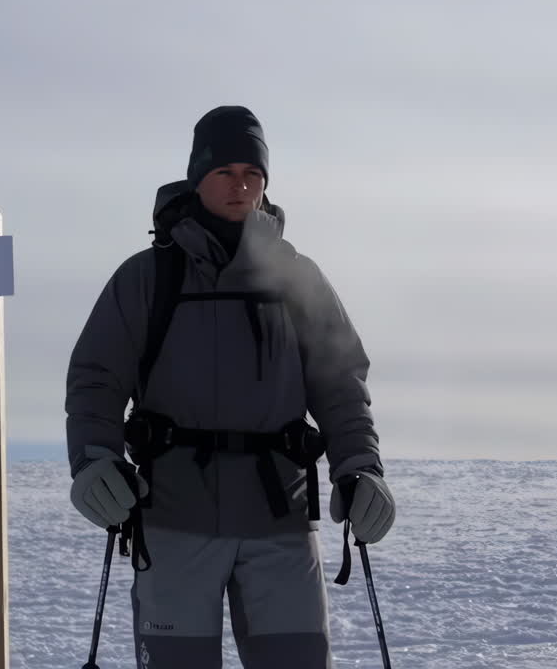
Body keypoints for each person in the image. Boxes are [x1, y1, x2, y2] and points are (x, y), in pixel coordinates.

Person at [65, 106, 395, 669]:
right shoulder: (147, 277)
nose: (240, 185)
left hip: (281, 524)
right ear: (198, 177)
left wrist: (361, 466)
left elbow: (340, 381)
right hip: (172, 522)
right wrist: (94, 460)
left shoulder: (299, 278)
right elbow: (96, 378)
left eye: (253, 172)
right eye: (224, 171)